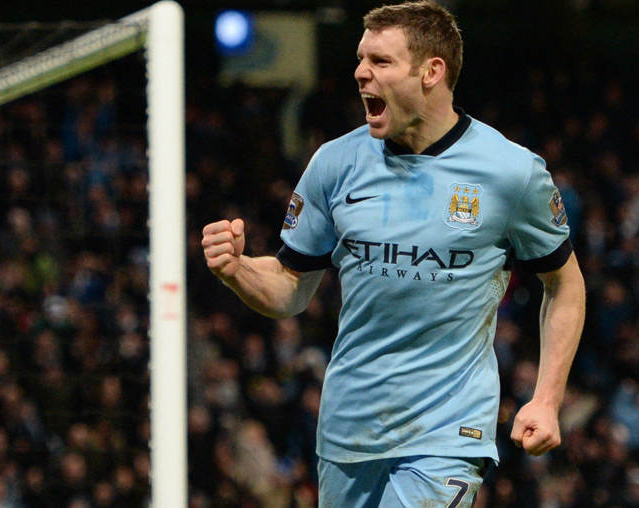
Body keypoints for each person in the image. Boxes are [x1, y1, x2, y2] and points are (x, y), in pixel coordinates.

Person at [201, 1, 586, 506]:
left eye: (380, 61)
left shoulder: (510, 173)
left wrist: (547, 398)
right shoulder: (335, 163)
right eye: (361, 58)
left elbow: (565, 285)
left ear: (432, 72)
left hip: (447, 431)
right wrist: (238, 270)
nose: (361, 72)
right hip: (348, 430)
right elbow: (290, 289)